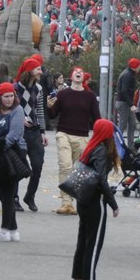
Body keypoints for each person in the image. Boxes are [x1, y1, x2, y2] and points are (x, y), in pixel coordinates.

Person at [69, 119, 122, 280]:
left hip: (83, 199)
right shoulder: (102, 151)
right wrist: (113, 203)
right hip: (95, 201)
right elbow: (101, 180)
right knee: (94, 242)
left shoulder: (90, 148)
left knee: (83, 239)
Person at [49, 67, 101, 215]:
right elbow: (53, 114)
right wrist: (49, 106)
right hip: (63, 133)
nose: (78, 73)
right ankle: (66, 203)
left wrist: (100, 136)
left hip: (82, 136)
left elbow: (97, 118)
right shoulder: (63, 94)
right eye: (75, 71)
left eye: (81, 72)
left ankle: (76, 202)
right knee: (65, 166)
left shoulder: (90, 96)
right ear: (71, 76)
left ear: (83, 77)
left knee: (78, 171)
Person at [0, 83, 28, 242]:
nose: (9, 99)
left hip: (12, 153)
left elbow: (15, 134)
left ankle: (4, 231)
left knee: (7, 192)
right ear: (0, 97)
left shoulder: (17, 110)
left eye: (11, 96)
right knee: (3, 193)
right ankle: (13, 230)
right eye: (6, 96)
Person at [16, 56, 48, 211]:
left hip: (34, 131)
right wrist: (20, 119)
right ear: (29, 71)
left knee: (38, 164)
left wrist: (42, 131)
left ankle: (30, 196)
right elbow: (8, 109)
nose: (40, 71)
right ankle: (14, 198)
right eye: (38, 69)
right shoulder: (15, 88)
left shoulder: (39, 89)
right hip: (19, 132)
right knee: (17, 165)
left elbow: (40, 110)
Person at [116, 57, 140, 153]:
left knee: (132, 124)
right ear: (134, 67)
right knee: (123, 125)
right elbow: (124, 91)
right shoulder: (127, 75)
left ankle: (130, 146)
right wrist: (131, 105)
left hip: (126, 102)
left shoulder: (128, 74)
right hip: (124, 103)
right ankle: (116, 146)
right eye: (139, 66)